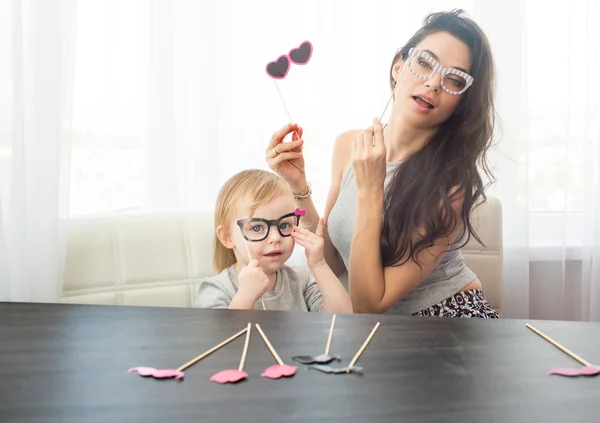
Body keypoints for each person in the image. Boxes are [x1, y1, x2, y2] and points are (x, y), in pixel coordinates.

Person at [266, 9, 500, 318]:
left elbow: (368, 305)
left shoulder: (452, 183)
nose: (433, 83)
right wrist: (298, 186)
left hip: (450, 317)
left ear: (461, 103)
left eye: (454, 79)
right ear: (398, 67)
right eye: (425, 63)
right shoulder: (350, 145)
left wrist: (371, 188)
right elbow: (334, 263)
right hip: (383, 331)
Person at [194, 168, 352, 313]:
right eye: (257, 228)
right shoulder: (217, 289)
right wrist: (244, 298)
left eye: (284, 225)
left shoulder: (300, 279)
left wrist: (319, 264)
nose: (276, 237)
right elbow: (221, 340)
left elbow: (343, 319)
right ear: (227, 237)